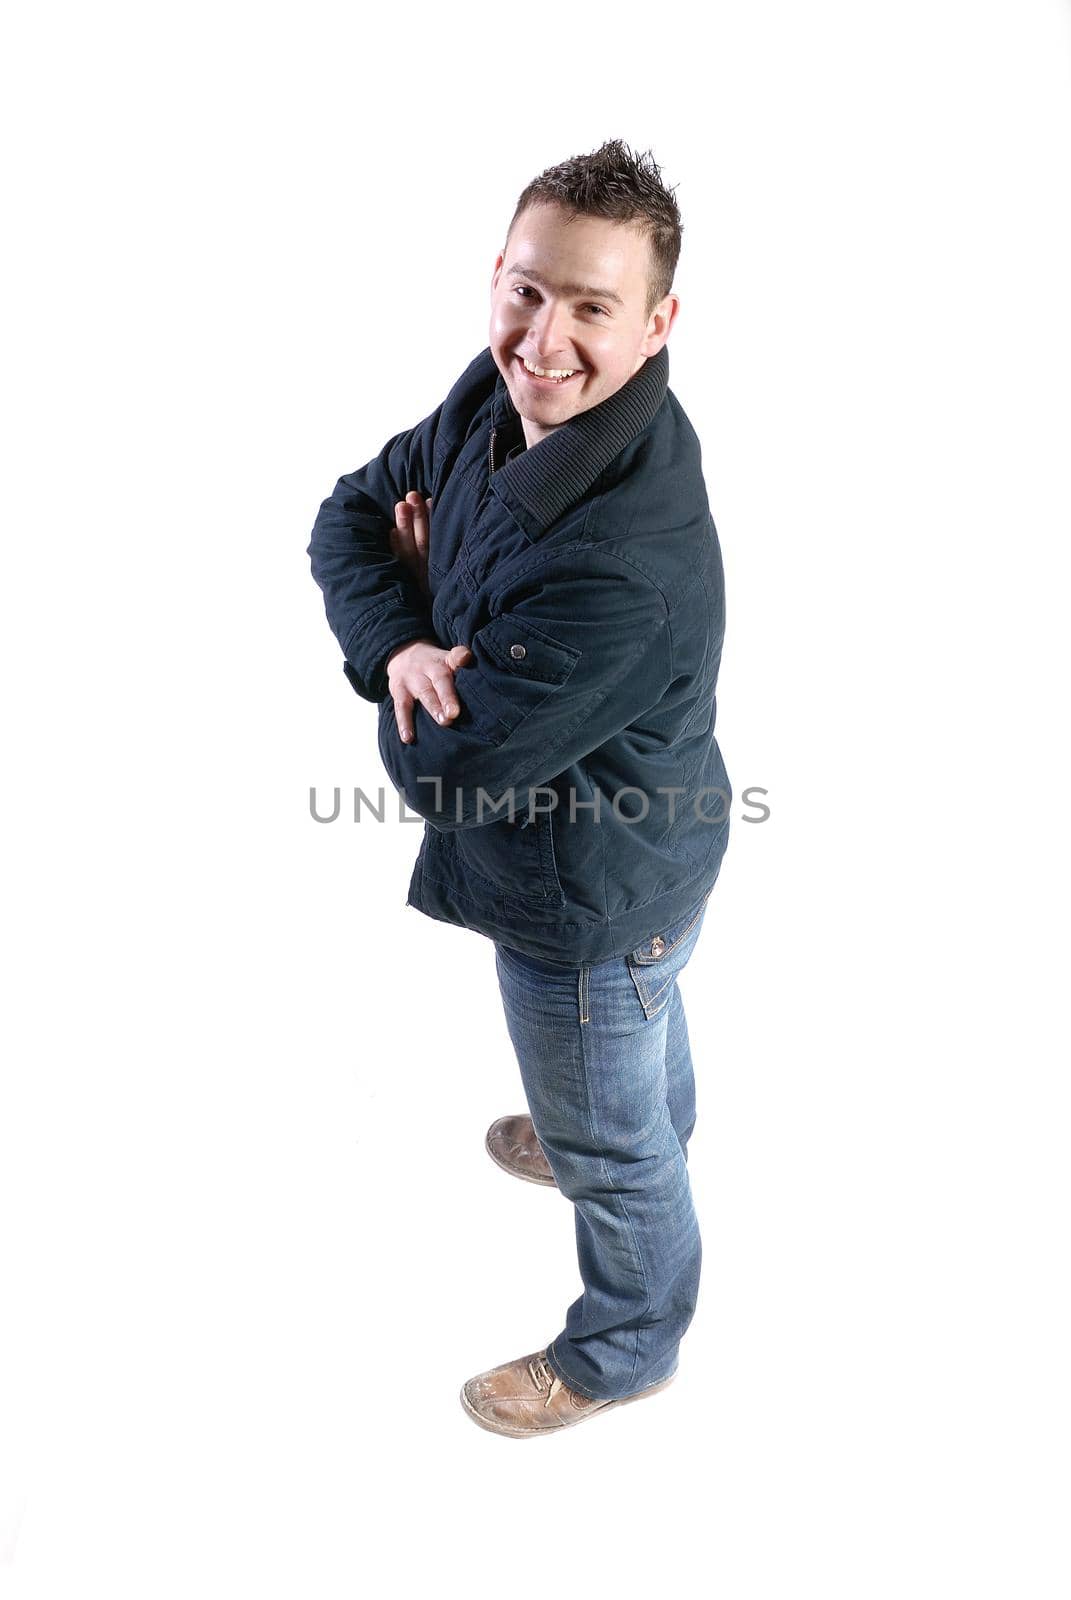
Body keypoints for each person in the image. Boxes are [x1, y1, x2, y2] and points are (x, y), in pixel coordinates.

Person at [307, 139, 731, 1438]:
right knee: (639, 1034)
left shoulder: (621, 568)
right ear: (499, 272)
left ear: (659, 324)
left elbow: (447, 763)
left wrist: (424, 602)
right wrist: (402, 643)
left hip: (588, 893)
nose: (544, 339)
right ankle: (626, 1125)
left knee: (616, 1105)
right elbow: (348, 515)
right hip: (640, 855)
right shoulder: (500, 402)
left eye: (593, 306)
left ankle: (626, 1343)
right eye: (529, 290)